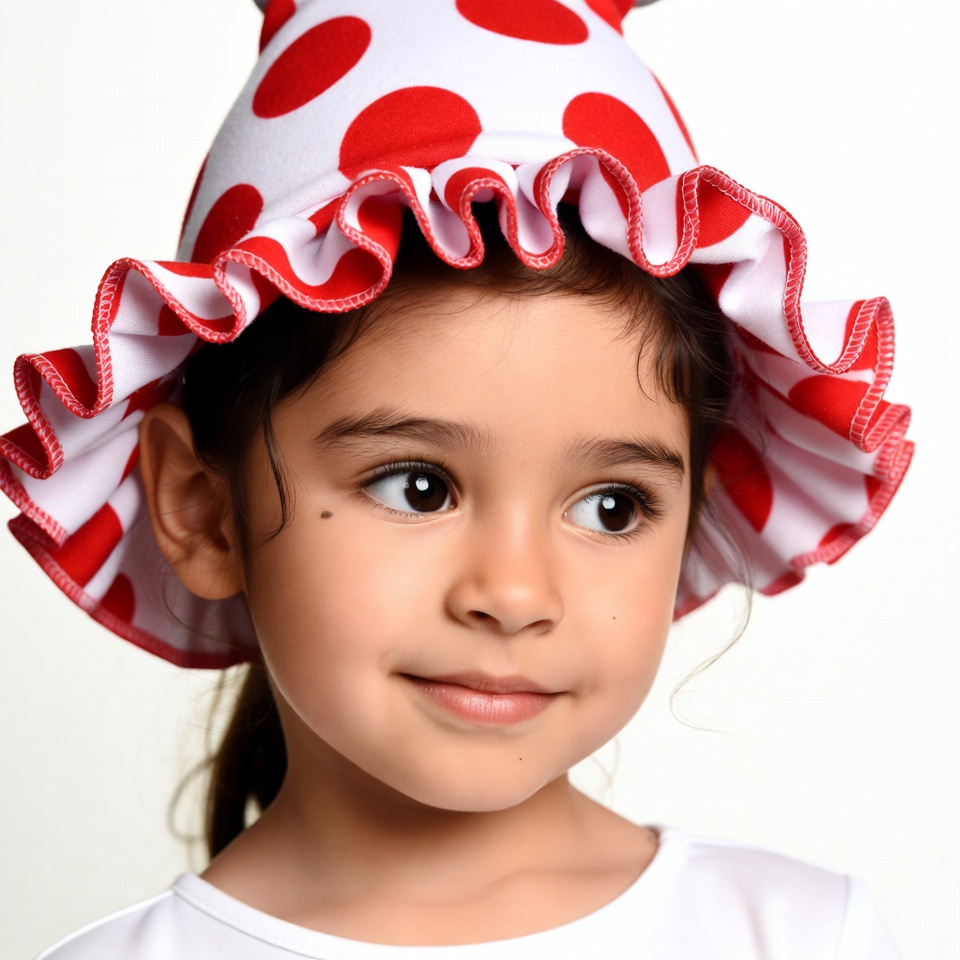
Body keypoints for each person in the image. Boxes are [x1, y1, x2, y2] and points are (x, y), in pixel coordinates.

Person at [0, 1, 912, 957]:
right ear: (204, 508)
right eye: (417, 487)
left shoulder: (806, 936)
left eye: (612, 506)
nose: (514, 595)